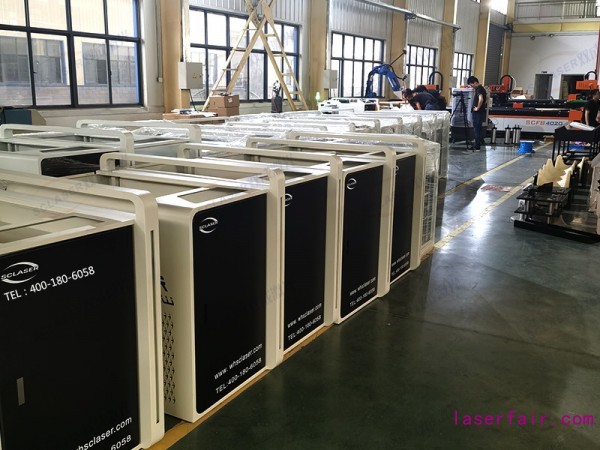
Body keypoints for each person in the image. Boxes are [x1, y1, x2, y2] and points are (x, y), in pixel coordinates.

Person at [467, 75, 487, 150]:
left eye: (471, 85)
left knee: (477, 129)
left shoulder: (479, 89)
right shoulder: (481, 89)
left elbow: (481, 99)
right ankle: (478, 143)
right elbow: (486, 99)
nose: (471, 87)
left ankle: (476, 146)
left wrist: (477, 108)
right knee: (478, 128)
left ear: (475, 82)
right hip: (480, 112)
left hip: (478, 113)